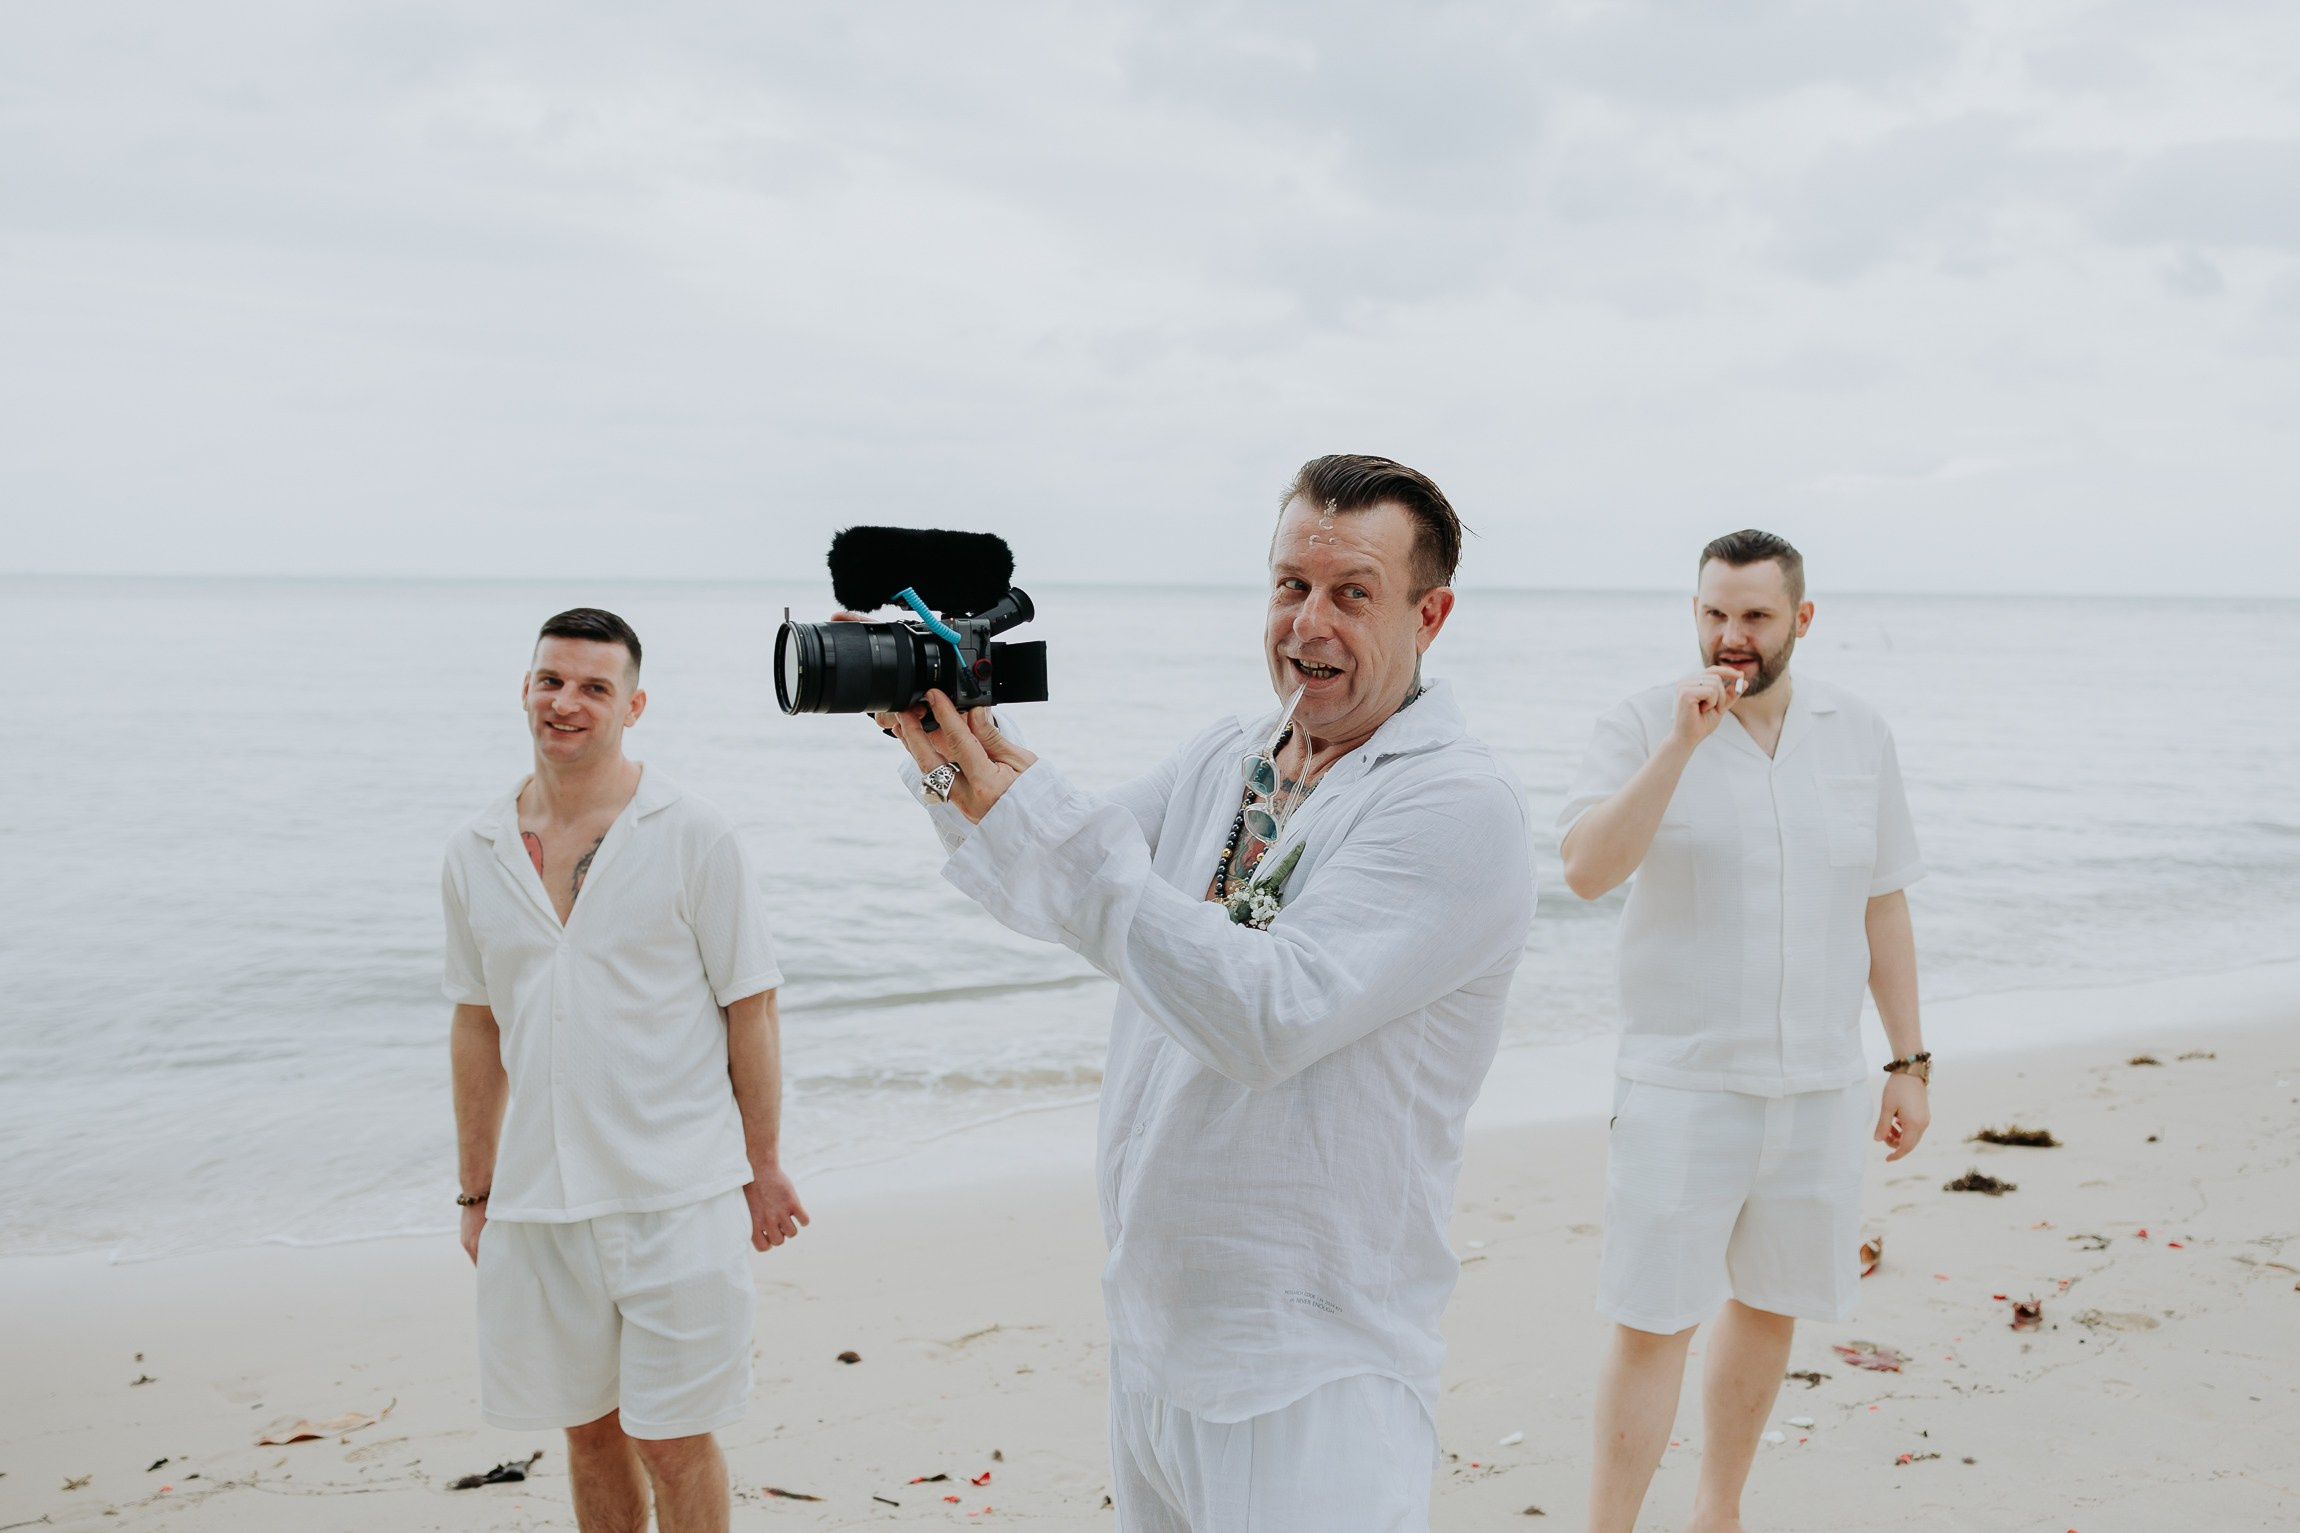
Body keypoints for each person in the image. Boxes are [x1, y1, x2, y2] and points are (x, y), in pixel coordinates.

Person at [864, 455, 1536, 1531]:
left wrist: (1028, 810)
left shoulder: (1455, 804)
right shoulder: (1233, 752)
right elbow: (1050, 884)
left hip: (1311, 1366)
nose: (1306, 622)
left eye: (1351, 594)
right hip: (1157, 1346)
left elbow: (1269, 1012)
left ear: (1431, 612)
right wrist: (943, 744)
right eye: (1288, 585)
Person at [1557, 531, 1929, 1533]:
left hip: (1817, 1084)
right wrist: (1679, 745)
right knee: (1651, 1320)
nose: (1731, 637)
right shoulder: (1640, 723)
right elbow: (1587, 871)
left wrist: (1906, 1062)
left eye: (1754, 617)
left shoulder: (1857, 731)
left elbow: (1881, 903)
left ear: (1798, 620)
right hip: (1682, 1084)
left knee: (1770, 1307)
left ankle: (1716, 1513)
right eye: (1713, 613)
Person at [442, 607, 806, 1533]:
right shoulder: (474, 849)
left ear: (633, 705)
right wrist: (477, 1193)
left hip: (675, 1194)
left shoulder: (694, 833)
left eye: (594, 687)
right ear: (524, 689)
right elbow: (477, 1025)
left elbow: (750, 1007)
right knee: (589, 1433)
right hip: (540, 1200)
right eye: (551, 680)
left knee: (675, 1440)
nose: (567, 702)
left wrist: (762, 1168)